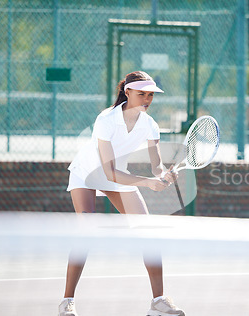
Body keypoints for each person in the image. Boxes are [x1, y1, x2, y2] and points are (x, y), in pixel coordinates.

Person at [59, 71, 185, 316]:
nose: (147, 99)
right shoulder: (106, 119)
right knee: (85, 232)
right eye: (142, 94)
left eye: (150, 95)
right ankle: (67, 301)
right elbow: (109, 172)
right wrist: (148, 183)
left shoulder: (150, 125)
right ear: (127, 92)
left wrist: (164, 175)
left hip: (118, 174)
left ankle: (158, 301)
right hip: (88, 172)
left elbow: (156, 166)